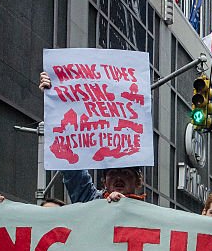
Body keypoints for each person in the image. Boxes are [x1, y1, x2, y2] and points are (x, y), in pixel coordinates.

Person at [38, 72, 145, 204]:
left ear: (138, 180)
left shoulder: (151, 216)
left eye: (126, 173)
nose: (118, 177)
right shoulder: (90, 200)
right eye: (112, 173)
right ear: (104, 181)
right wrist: (55, 95)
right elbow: (72, 166)